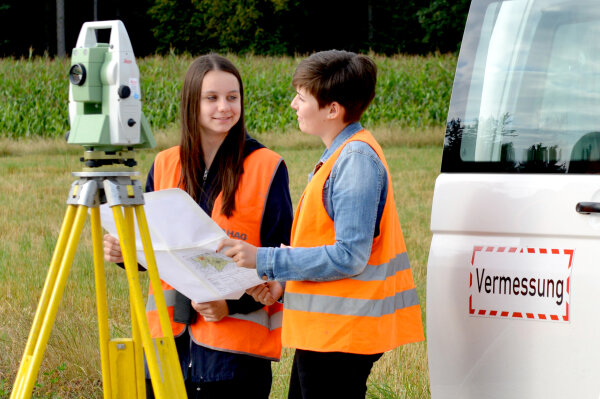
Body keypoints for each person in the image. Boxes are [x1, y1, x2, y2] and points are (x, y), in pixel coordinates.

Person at [220, 50, 425, 399]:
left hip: (341, 337)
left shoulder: (355, 161)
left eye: (301, 97)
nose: (292, 104)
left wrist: (264, 259)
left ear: (332, 109)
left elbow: (348, 256)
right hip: (326, 333)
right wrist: (282, 283)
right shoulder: (340, 155)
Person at [103, 54, 294, 399]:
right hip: (164, 349)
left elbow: (284, 259)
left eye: (232, 97)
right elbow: (157, 251)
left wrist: (230, 306)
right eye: (212, 98)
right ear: (192, 102)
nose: (224, 107)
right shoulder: (164, 164)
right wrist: (124, 253)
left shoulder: (268, 166)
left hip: (233, 358)